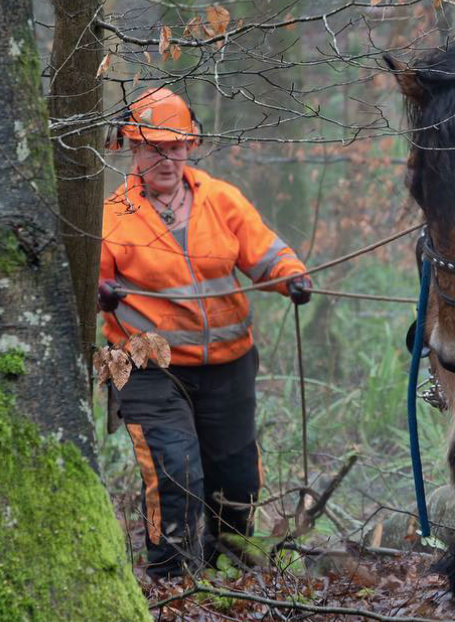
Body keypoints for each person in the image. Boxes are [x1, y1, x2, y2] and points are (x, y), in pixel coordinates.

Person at [98, 86, 312, 579]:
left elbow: (266, 255)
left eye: (177, 147)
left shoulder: (221, 199)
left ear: (189, 146)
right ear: (134, 147)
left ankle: (232, 574)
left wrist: (293, 277)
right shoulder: (112, 214)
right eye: (156, 147)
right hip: (149, 368)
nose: (168, 158)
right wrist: (101, 291)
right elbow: (91, 275)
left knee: (237, 481)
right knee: (175, 470)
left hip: (228, 365)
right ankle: (172, 581)